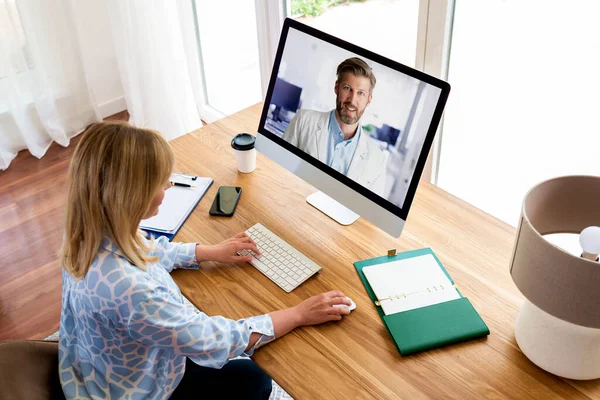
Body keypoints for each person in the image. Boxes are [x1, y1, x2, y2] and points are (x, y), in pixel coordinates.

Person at [58, 121, 352, 399]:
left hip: (99, 370)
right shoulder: (131, 291)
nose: (169, 187)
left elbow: (146, 249)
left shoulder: (86, 233)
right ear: (131, 196)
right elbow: (214, 340)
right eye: (162, 183)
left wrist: (209, 252)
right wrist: (299, 314)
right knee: (256, 379)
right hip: (144, 390)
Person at [282, 57, 388, 196]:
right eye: (347, 88)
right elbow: (278, 169)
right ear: (336, 87)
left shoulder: (377, 159)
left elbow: (373, 213)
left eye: (360, 93)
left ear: (369, 99)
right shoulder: (303, 120)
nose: (352, 100)